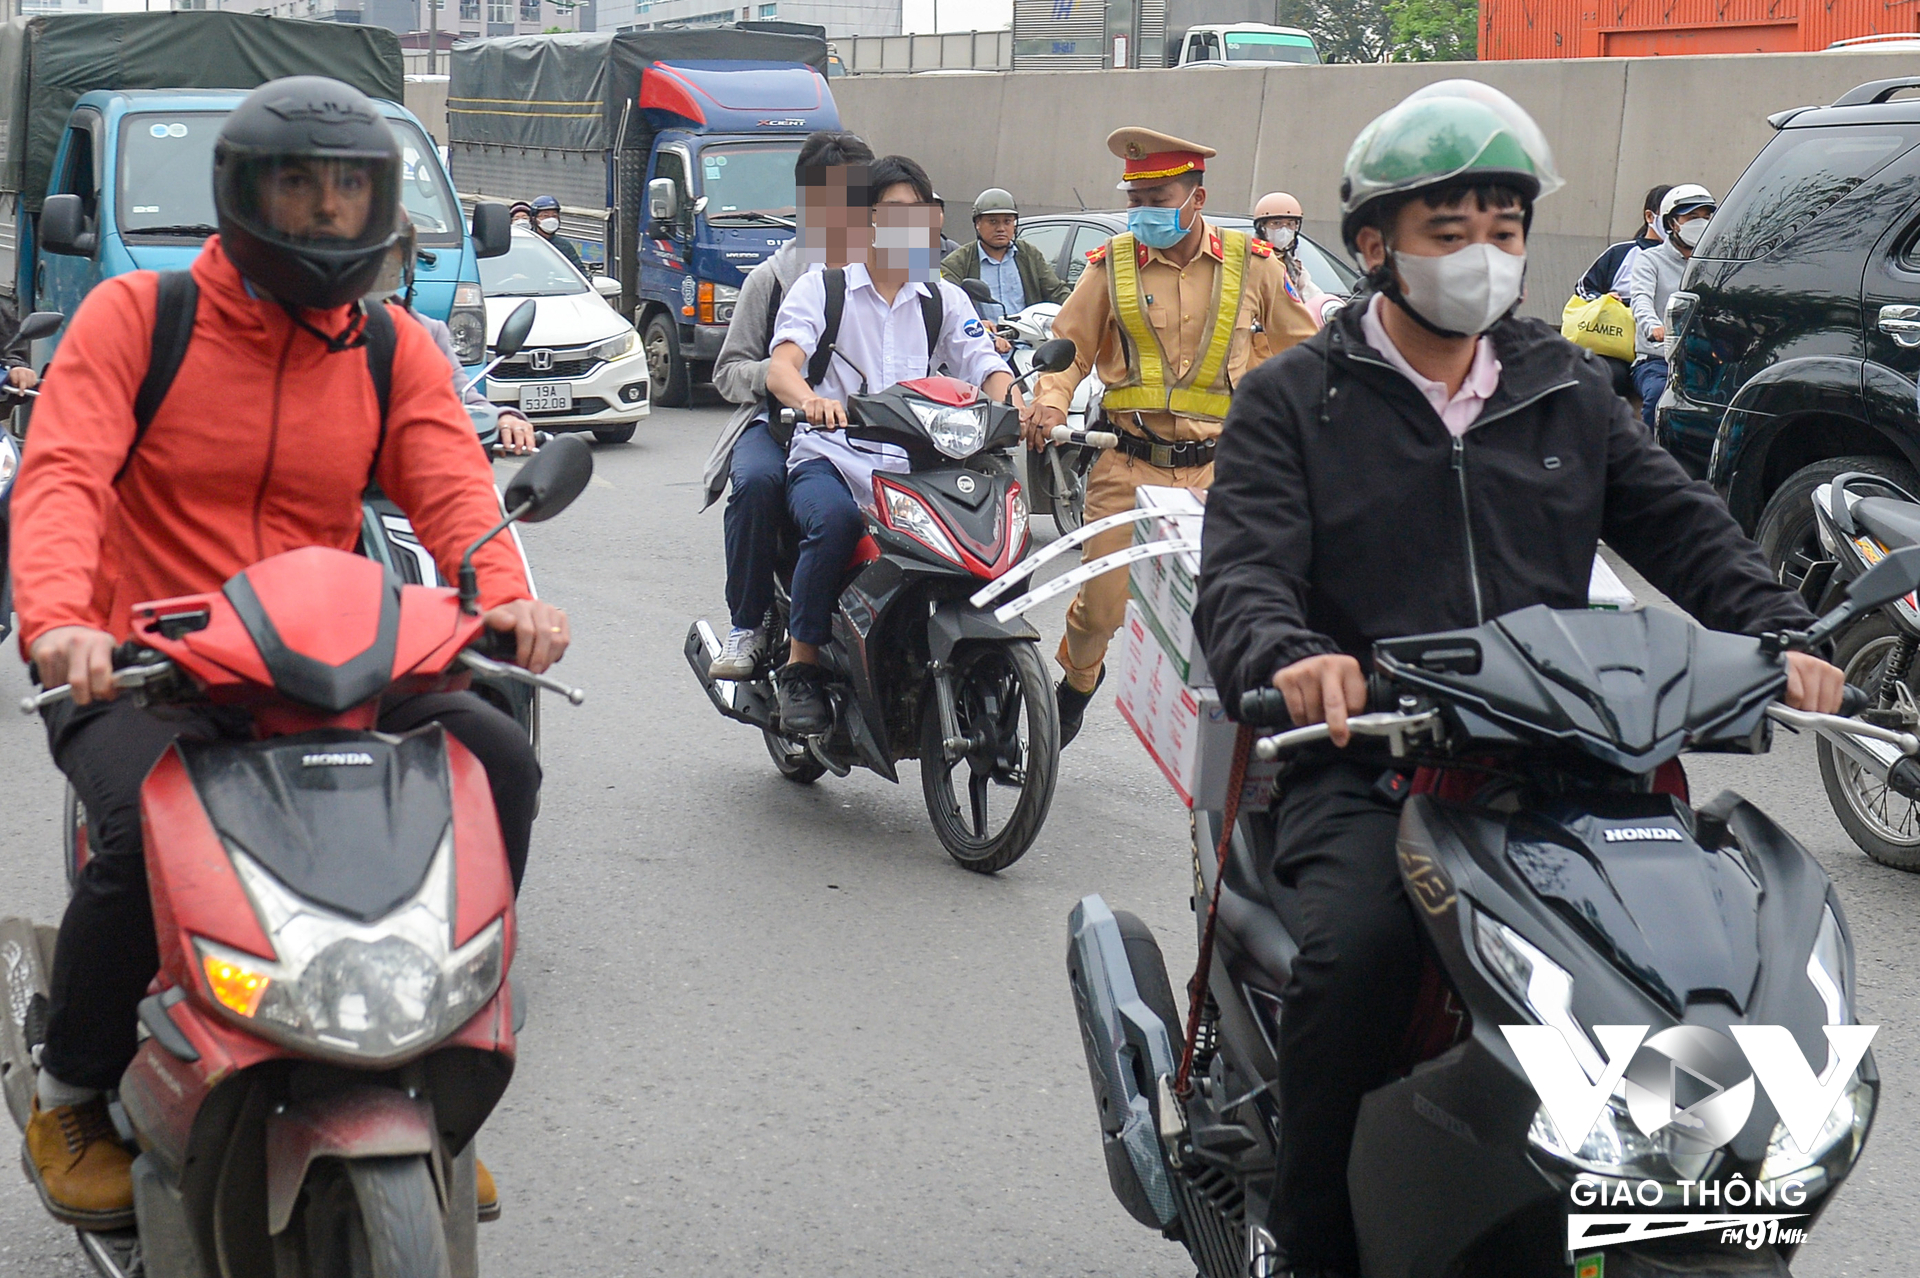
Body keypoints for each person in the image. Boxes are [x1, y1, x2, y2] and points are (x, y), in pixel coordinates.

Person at [1193, 80, 1842, 1278]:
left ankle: (1667, 1201)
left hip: (1569, 757)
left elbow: (1685, 527)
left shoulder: (1562, 384)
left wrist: (1782, 634)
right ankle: (1307, 1231)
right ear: (1376, 244)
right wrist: (1295, 662)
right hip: (1377, 761)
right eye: (1451, 232)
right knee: (1361, 958)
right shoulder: (1297, 398)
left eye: (1505, 229)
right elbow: (1242, 572)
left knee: (1705, 964)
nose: (1484, 257)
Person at [10, 76, 567, 1231]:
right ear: (242, 194)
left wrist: (508, 600)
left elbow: (457, 493)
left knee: (496, 761)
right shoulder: (136, 319)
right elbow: (62, 474)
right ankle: (71, 1090)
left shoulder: (387, 347)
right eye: (299, 186)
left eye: (348, 187)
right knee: (141, 829)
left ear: (382, 202)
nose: (324, 212)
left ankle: (433, 1060)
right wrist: (61, 619)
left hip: (324, 657)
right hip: (136, 657)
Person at [1024, 128, 1316, 747]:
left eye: (1159, 199)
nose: (1144, 213)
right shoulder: (1112, 268)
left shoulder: (1254, 267)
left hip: (1223, 471)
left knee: (1238, 608)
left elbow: (1305, 353)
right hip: (1128, 464)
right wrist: (1049, 403)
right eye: (1136, 200)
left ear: (1197, 198)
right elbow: (1069, 349)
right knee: (1100, 608)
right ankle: (1077, 684)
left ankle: (1241, 734)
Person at [763, 154, 1013, 732]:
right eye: (894, 212)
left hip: (916, 466)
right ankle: (801, 668)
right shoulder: (822, 289)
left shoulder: (942, 298)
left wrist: (1013, 403)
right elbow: (782, 366)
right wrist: (811, 401)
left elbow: (984, 362)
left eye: (919, 212)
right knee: (833, 524)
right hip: (831, 459)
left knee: (985, 531)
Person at [702, 130, 875, 680]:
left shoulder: (898, 270)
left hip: (875, 426)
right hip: (780, 425)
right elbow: (728, 373)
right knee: (756, 484)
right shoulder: (772, 279)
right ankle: (748, 624)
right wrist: (785, 380)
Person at [373, 213, 536, 455]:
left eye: (390, 251)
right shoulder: (305, 333)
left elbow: (463, 398)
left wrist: (503, 418)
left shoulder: (427, 332)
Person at [1629, 182, 1713, 433]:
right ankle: (1645, 462)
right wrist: (1654, 327)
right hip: (1657, 360)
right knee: (1657, 396)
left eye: (1707, 217)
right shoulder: (1650, 259)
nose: (1701, 222)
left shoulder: (1714, 264)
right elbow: (1640, 298)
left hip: (1704, 359)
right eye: (1691, 216)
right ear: (1671, 223)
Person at [939, 188, 1071, 315]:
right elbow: (947, 302)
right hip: (982, 335)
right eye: (993, 222)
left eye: (1007, 221)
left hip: (1028, 335)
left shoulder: (1029, 254)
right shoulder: (958, 261)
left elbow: (1056, 291)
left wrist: (1078, 309)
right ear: (978, 224)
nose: (1001, 228)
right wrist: (974, 321)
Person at [1251, 190, 1333, 333]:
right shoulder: (1250, 261)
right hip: (1255, 340)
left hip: (1288, 337)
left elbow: (1312, 294)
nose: (1284, 230)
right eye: (1276, 223)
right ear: (1262, 227)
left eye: (1290, 224)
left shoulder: (1294, 267)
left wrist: (1332, 311)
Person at [1578, 182, 1671, 301]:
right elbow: (1584, 288)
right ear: (1649, 216)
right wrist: (1604, 299)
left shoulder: (1689, 258)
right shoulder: (1619, 253)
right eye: (1667, 215)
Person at [529, 193, 585, 274]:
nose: (550, 219)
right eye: (545, 215)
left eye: (554, 216)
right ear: (534, 218)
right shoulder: (526, 243)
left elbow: (579, 272)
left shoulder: (565, 245)